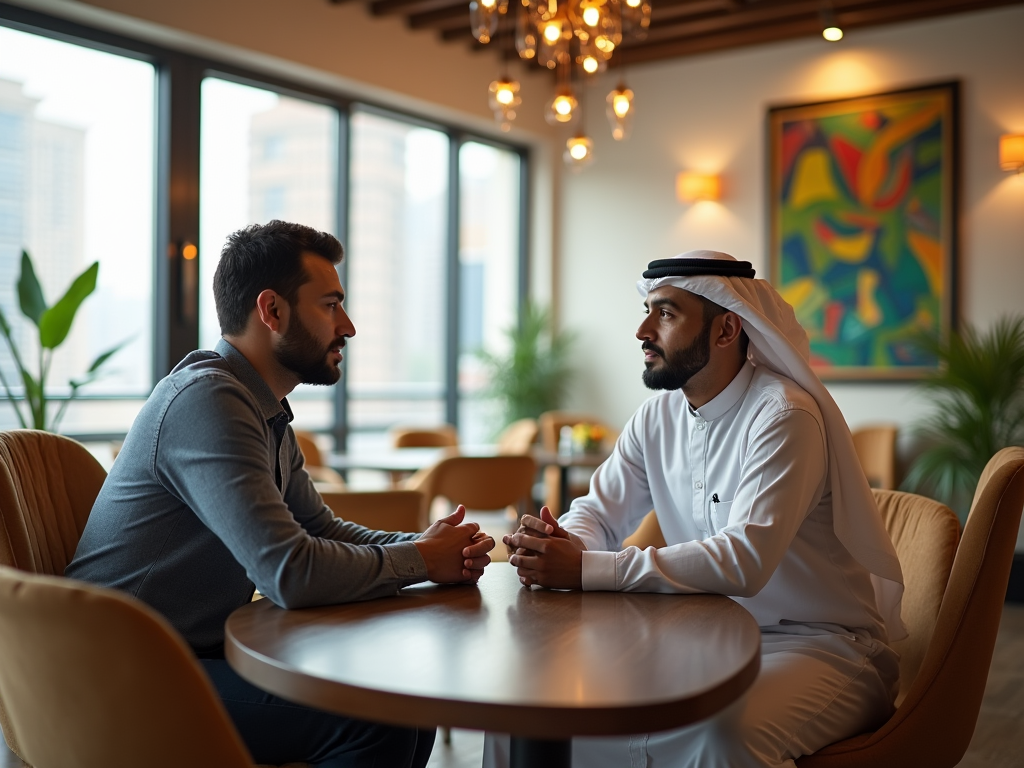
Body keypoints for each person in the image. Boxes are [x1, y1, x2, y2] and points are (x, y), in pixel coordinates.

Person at [67, 220, 495, 768]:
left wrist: (431, 547)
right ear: (272, 312)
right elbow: (289, 572)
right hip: (116, 677)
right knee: (374, 716)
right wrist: (419, 558)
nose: (349, 326)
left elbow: (320, 529)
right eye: (330, 305)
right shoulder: (208, 402)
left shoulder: (261, 410)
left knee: (406, 701)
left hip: (182, 655)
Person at [485, 250, 906, 768]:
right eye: (646, 310)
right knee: (524, 710)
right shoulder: (656, 417)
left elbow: (744, 560)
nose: (642, 329)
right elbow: (598, 510)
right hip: (698, 635)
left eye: (665, 313)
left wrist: (587, 567)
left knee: (718, 734)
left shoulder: (784, 417)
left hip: (818, 647)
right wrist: (566, 541)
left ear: (726, 329)